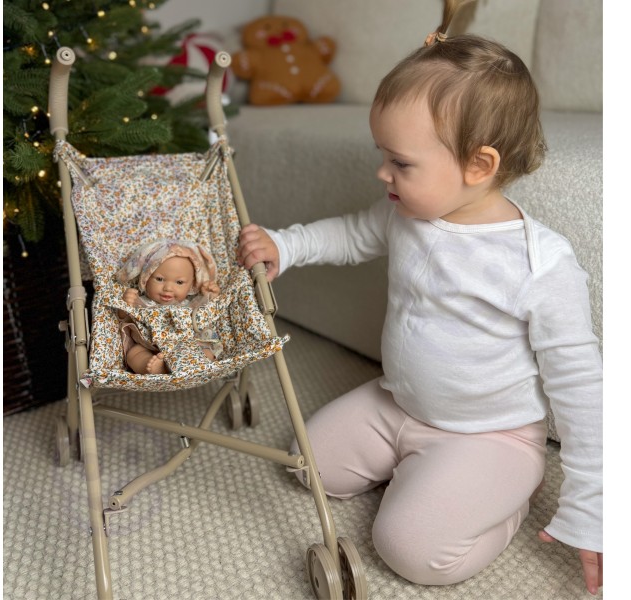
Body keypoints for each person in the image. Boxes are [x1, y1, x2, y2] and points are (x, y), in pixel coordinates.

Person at [237, 0, 602, 594]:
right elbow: (351, 234)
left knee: (408, 548)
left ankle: (504, 498)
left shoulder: (539, 263)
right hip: (399, 403)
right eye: (382, 156)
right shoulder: (406, 212)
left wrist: (594, 500)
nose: (383, 174)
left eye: (400, 163)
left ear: (479, 164)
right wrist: (285, 244)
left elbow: (580, 385)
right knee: (308, 465)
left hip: (490, 436)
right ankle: (423, 473)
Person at [115, 238, 222, 374]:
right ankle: (156, 369)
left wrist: (210, 296)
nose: (168, 288)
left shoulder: (189, 304)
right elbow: (123, 320)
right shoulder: (140, 301)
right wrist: (125, 305)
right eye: (160, 279)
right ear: (146, 278)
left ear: (191, 286)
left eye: (179, 282)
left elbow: (207, 313)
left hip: (184, 347)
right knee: (133, 353)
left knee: (206, 352)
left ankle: (187, 365)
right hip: (150, 347)